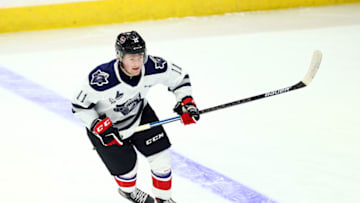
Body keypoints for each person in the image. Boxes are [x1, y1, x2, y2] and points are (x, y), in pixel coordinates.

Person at [71, 30, 200, 203]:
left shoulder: (152, 66)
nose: (137, 62)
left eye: (140, 56)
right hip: (108, 129)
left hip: (140, 114)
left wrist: (186, 102)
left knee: (161, 160)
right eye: (132, 58)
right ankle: (129, 192)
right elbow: (79, 106)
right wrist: (97, 126)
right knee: (127, 172)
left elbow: (179, 78)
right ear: (120, 57)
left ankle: (164, 199)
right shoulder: (101, 79)